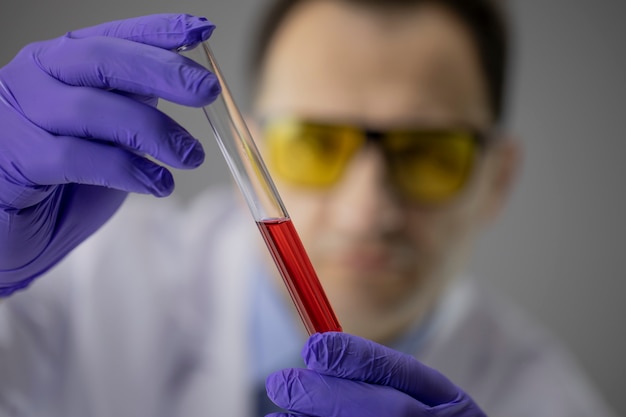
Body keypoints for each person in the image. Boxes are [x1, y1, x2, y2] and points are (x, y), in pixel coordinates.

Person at [0, 1, 617, 416]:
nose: (366, 211)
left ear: (498, 179)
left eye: (430, 154)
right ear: (255, 143)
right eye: (315, 144)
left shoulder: (548, 402)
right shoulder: (83, 284)